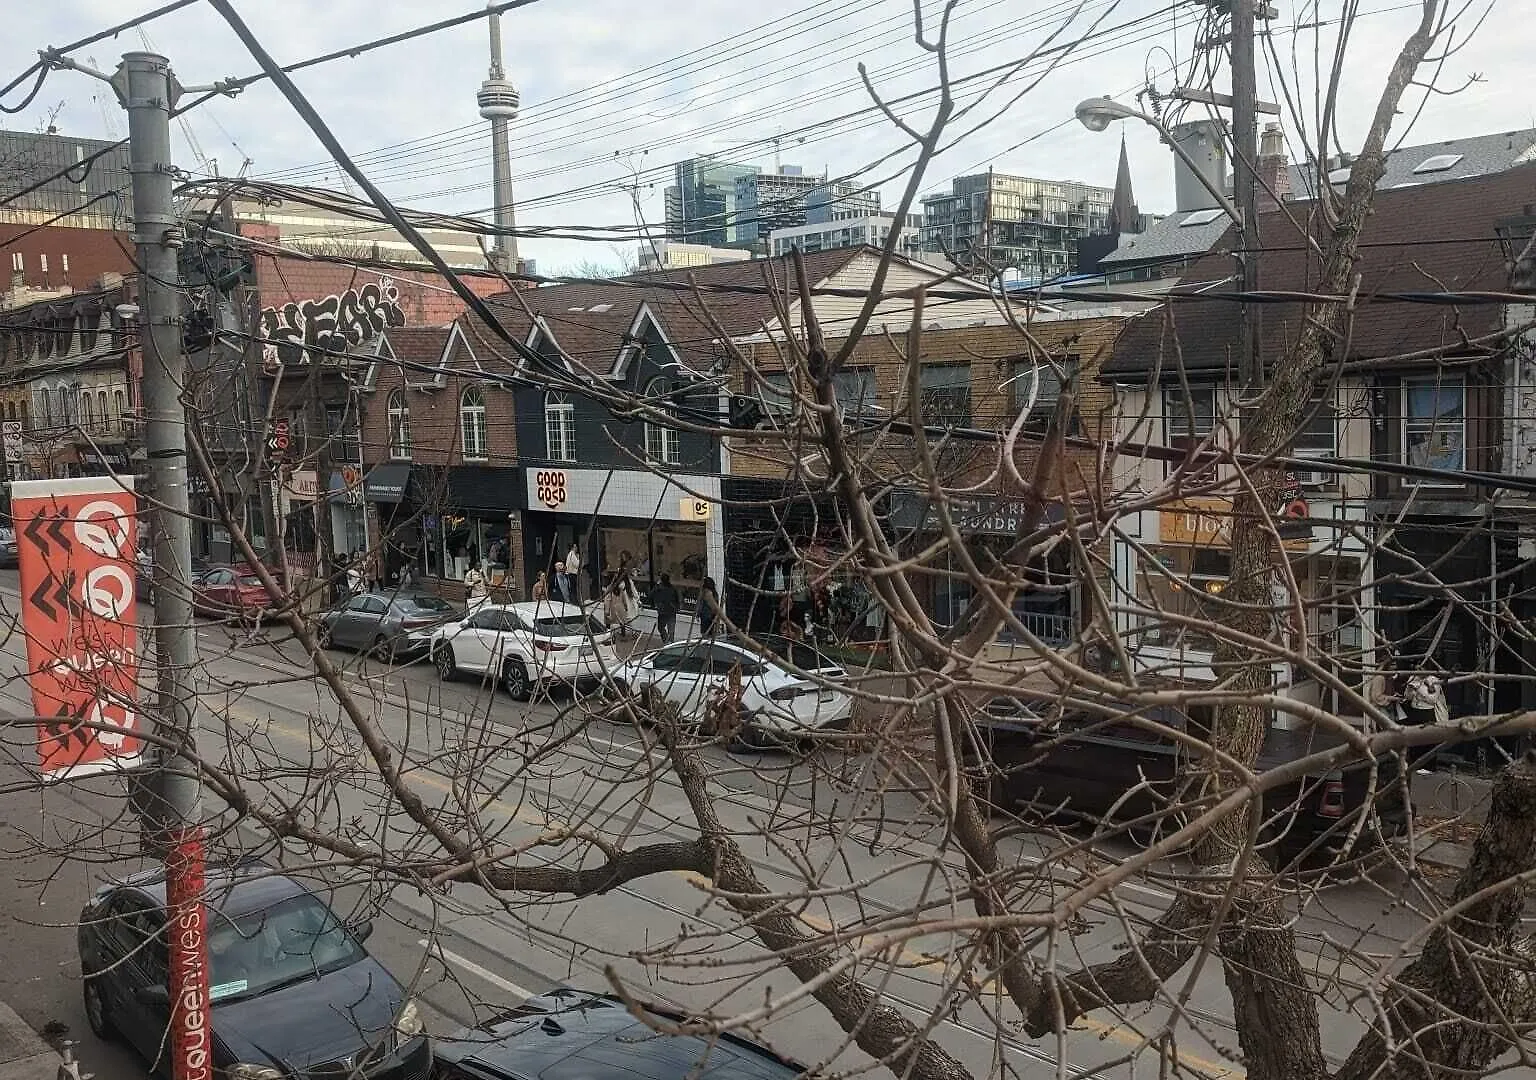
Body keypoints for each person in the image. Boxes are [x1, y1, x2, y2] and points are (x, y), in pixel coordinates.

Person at [651, 573, 680, 643]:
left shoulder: (659, 589)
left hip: (663, 612)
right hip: (672, 611)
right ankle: (670, 644)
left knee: (661, 628)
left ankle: (667, 642)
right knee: (671, 630)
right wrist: (677, 607)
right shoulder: (672, 588)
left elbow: (650, 595)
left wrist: (657, 585)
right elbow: (677, 599)